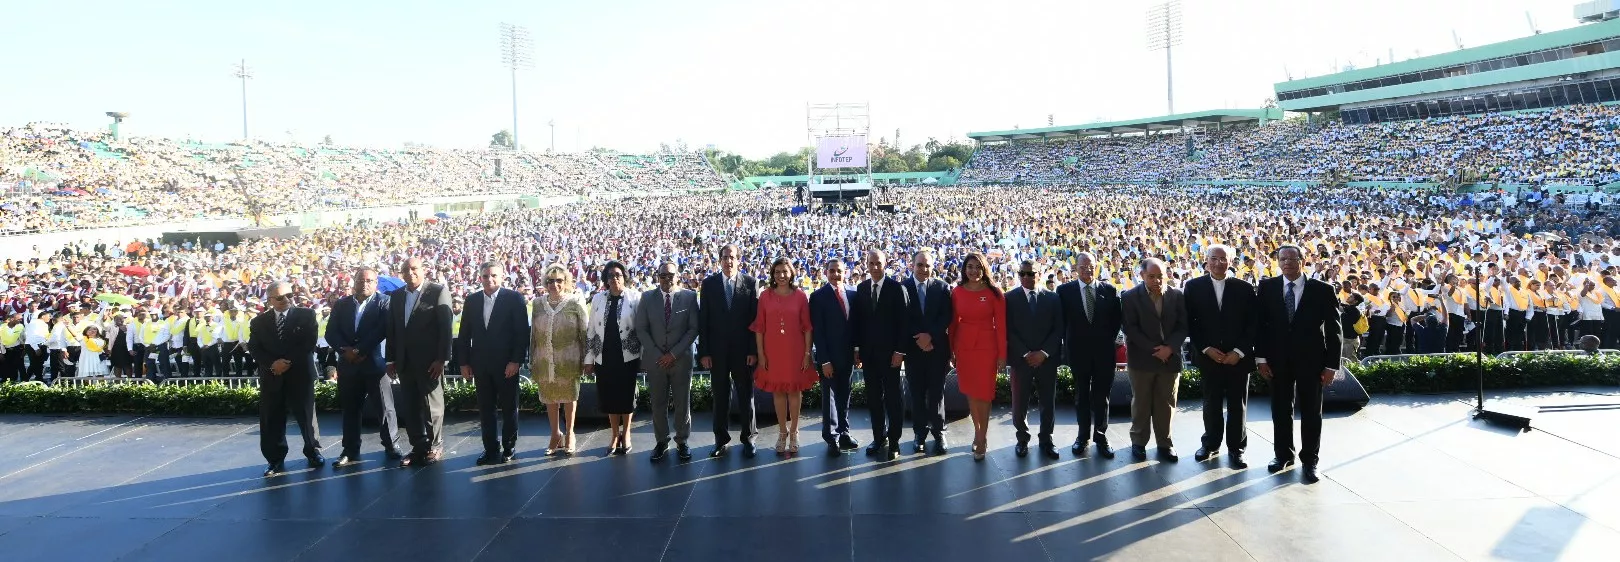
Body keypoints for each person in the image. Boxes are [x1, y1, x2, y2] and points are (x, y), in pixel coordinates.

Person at [1255, 245, 1342, 484]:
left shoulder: (1323, 290)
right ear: (1278, 262)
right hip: (1277, 361)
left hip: (1312, 361)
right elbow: (1260, 326)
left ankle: (1310, 460)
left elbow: (1335, 330)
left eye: (1292, 259)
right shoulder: (1267, 287)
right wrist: (1261, 359)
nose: (1287, 263)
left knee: (1312, 412)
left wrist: (1331, 366)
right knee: (1280, 409)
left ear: (1303, 261)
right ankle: (1282, 455)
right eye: (1283, 259)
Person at [1183, 244, 1257, 468]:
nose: (1218, 263)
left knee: (1238, 405)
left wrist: (1239, 352)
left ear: (1231, 261)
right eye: (1213, 258)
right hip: (1209, 357)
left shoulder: (1244, 288)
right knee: (1211, 402)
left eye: (1223, 259)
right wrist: (1205, 348)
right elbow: (1190, 322)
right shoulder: (1193, 286)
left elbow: (1252, 324)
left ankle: (1237, 449)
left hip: (1238, 358)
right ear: (1206, 261)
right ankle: (1211, 444)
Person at [456, 261, 530, 466]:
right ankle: (490, 449)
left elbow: (521, 333)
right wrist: (463, 362)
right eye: (486, 276)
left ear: (502, 276)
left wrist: (515, 361)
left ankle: (509, 447)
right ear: (480, 278)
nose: (490, 279)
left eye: (494, 275)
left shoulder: (514, 298)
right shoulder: (471, 300)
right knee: (485, 409)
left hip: (507, 365)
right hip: (480, 365)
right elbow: (464, 335)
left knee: (509, 408)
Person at [249, 282, 325, 477]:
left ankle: (313, 451)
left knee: (307, 416)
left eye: (290, 295)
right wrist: (273, 364)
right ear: (270, 300)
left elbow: (308, 342)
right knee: (271, 418)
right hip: (272, 375)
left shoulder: (306, 315)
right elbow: (255, 348)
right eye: (280, 297)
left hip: (300, 374)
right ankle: (274, 460)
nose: (287, 299)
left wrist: (286, 362)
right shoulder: (258, 322)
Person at [326, 266, 398, 468]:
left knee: (384, 408)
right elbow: (331, 332)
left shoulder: (384, 302)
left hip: (374, 364)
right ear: (354, 282)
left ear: (375, 283)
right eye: (360, 280)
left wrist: (359, 350)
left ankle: (392, 445)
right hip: (348, 365)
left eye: (369, 281)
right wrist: (345, 351)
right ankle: (350, 450)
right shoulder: (342, 304)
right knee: (350, 409)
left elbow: (382, 329)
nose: (364, 284)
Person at [385, 257, 455, 467]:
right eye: (406, 270)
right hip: (404, 362)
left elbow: (446, 328)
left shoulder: (437, 291)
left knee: (432, 405)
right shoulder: (396, 296)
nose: (410, 273)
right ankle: (418, 446)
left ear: (424, 270)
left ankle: (436, 445)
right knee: (410, 406)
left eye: (414, 268)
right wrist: (390, 360)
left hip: (430, 362)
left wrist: (442, 358)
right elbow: (392, 330)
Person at [1055, 252, 1122, 459]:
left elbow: (1116, 321)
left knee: (1103, 397)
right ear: (1075, 268)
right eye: (1083, 267)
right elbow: (1062, 321)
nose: (1087, 270)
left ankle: (1100, 436)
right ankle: (1082, 437)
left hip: (1104, 353)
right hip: (1078, 353)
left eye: (1091, 266)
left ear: (1097, 266)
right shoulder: (1064, 291)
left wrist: (1104, 340)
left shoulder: (1109, 290)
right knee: (1082, 396)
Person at [1120, 257, 1187, 462]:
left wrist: (1170, 348)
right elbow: (1129, 328)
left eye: (1160, 276)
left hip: (1170, 359)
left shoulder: (1176, 295)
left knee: (1166, 403)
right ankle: (1138, 443)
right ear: (1141, 276)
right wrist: (1155, 349)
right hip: (1142, 360)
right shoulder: (1130, 297)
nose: (1157, 280)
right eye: (1152, 276)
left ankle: (1164, 444)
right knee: (1141, 402)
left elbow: (1183, 325)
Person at [697, 244, 760, 459]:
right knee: (720, 397)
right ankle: (720, 440)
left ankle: (749, 438)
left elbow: (755, 321)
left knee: (746, 396)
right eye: (724, 257)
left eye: (732, 257)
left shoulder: (750, 283)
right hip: (716, 353)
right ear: (719, 260)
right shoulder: (709, 284)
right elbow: (703, 321)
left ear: (738, 260)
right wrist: (704, 352)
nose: (728, 261)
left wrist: (753, 350)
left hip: (743, 353)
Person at [635, 261, 700, 463]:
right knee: (658, 404)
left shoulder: (689, 297)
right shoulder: (647, 298)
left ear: (677, 275)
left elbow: (693, 329)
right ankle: (661, 441)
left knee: (682, 403)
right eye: (663, 275)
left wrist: (673, 354)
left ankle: (682, 442)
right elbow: (641, 329)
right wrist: (657, 354)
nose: (667, 279)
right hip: (656, 361)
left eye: (670, 275)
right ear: (657, 277)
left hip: (681, 360)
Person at [751, 257, 816, 456]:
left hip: (795, 351)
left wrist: (807, 354)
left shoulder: (800, 296)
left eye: (785, 272)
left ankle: (794, 432)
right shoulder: (764, 296)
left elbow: (807, 328)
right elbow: (759, 328)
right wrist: (761, 354)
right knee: (778, 391)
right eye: (777, 272)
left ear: (791, 274)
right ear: (772, 274)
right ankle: (782, 432)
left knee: (794, 391)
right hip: (772, 351)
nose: (781, 276)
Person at [851, 249, 910, 462]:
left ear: (886, 264)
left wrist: (900, 352)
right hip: (869, 355)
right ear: (866, 264)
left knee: (893, 399)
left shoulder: (897, 289)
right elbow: (858, 322)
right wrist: (857, 350)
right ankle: (879, 438)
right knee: (874, 399)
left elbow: (904, 323)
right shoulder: (862, 288)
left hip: (891, 356)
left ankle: (894, 441)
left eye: (879, 263)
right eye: (871, 263)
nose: (875, 267)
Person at [530, 263, 588, 456]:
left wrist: (587, 359)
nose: (554, 284)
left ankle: (570, 433)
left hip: (569, 359)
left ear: (566, 282)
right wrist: (533, 360)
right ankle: (555, 434)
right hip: (544, 360)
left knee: (570, 397)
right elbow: (533, 335)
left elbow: (584, 333)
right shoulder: (538, 303)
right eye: (550, 280)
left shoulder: (575, 302)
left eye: (559, 280)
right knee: (550, 398)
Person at [1006, 259, 1060, 460]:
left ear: (1040, 273)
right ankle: (1022, 439)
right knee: (1019, 403)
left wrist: (1043, 353)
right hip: (1022, 362)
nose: (1026, 277)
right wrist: (1026, 354)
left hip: (1047, 361)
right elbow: (1008, 330)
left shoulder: (1053, 299)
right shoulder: (1009, 298)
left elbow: (1059, 329)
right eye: (1023, 273)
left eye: (1031, 273)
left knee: (1048, 402)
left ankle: (1047, 440)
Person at [586, 260, 641, 456]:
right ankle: (614, 435)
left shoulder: (635, 297)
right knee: (609, 395)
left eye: (618, 274)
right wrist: (588, 358)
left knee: (626, 396)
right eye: (610, 276)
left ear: (624, 277)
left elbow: (641, 328)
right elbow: (591, 330)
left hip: (628, 355)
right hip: (605, 355)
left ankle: (626, 434)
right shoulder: (598, 299)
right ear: (605, 280)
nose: (614, 278)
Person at [903, 249, 953, 455]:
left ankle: (939, 432)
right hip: (914, 351)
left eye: (928, 265)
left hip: (937, 350)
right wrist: (920, 339)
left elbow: (946, 316)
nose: (924, 269)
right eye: (920, 265)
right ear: (912, 265)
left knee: (936, 394)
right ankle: (919, 434)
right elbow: (902, 319)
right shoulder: (903, 288)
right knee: (916, 394)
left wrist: (930, 337)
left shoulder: (942, 288)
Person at [810, 258, 859, 456]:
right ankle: (832, 437)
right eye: (832, 271)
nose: (835, 274)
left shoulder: (853, 295)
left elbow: (856, 327)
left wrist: (857, 350)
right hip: (828, 357)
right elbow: (818, 332)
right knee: (829, 397)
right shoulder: (818, 297)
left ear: (845, 272)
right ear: (825, 272)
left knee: (844, 394)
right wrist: (824, 360)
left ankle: (844, 431)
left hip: (848, 355)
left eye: (839, 271)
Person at [107, 314, 133, 379]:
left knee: (127, 365)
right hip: (115, 349)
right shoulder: (111, 327)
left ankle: (130, 381)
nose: (120, 320)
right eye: (118, 319)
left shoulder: (128, 326)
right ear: (114, 320)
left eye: (121, 318)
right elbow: (108, 337)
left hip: (126, 349)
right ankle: (118, 381)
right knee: (117, 365)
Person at [2, 313, 26, 382]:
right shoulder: (3, 327)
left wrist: (24, 349)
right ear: (12, 319)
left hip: (17, 349)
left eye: (21, 319)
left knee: (21, 366)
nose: (20, 321)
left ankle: (24, 382)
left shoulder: (20, 326)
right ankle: (8, 382)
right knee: (7, 367)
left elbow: (24, 338)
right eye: (19, 319)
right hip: (6, 350)